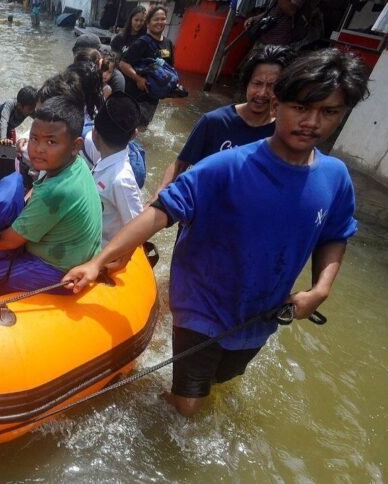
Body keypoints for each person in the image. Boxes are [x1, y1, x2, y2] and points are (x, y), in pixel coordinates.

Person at [64, 49, 369, 417]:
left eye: (329, 112)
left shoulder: (335, 178)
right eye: (301, 108)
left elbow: (335, 234)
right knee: (188, 408)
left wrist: (321, 289)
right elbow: (160, 212)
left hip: (261, 312)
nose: (312, 122)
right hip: (201, 303)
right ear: (280, 103)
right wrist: (98, 262)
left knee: (222, 384)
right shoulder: (227, 166)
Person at [0, 96, 101, 299]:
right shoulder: (76, 165)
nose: (39, 148)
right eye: (34, 139)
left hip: (57, 270)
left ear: (76, 145)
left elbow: (10, 241)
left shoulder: (56, 191)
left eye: (51, 141)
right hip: (75, 254)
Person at [152, 45, 296, 200]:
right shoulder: (215, 122)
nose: (261, 93)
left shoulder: (284, 134)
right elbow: (180, 164)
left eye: (271, 86)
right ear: (247, 83)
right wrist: (158, 197)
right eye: (257, 83)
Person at [90, 92, 143, 245]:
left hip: (101, 253)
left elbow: (137, 228)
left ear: (94, 132)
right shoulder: (104, 162)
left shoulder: (121, 180)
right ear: (134, 135)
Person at [119, 5, 176, 127]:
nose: (160, 22)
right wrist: (138, 79)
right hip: (135, 93)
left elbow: (170, 68)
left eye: (163, 19)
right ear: (148, 23)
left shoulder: (168, 43)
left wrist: (173, 86)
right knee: (129, 125)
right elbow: (123, 63)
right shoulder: (141, 42)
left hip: (152, 97)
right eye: (156, 19)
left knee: (143, 126)